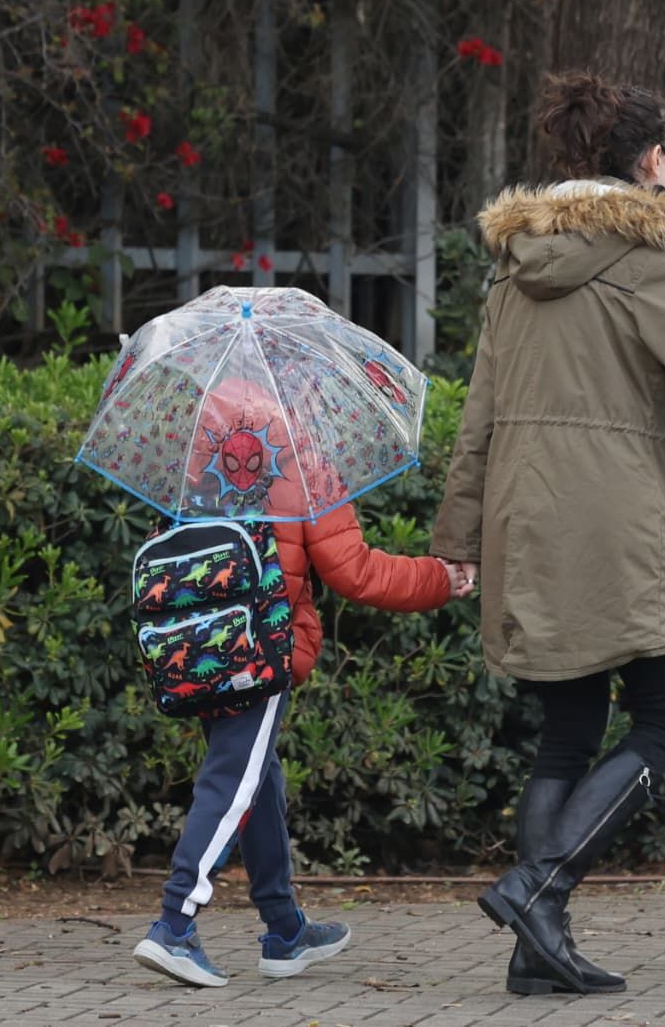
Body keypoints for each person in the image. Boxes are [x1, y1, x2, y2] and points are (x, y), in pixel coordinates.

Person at [431, 70, 665, 996]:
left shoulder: (515, 269)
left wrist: (461, 533)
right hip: (614, 525)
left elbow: (479, 417)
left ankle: (536, 948)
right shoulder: (646, 262)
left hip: (528, 519)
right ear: (651, 161)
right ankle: (541, 887)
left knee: (568, 728)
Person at [133, 385, 472, 988]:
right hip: (262, 648)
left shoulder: (189, 453)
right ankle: (174, 925)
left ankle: (285, 932)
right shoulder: (301, 456)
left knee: (256, 778)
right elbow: (357, 572)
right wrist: (440, 580)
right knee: (233, 782)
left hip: (199, 644)